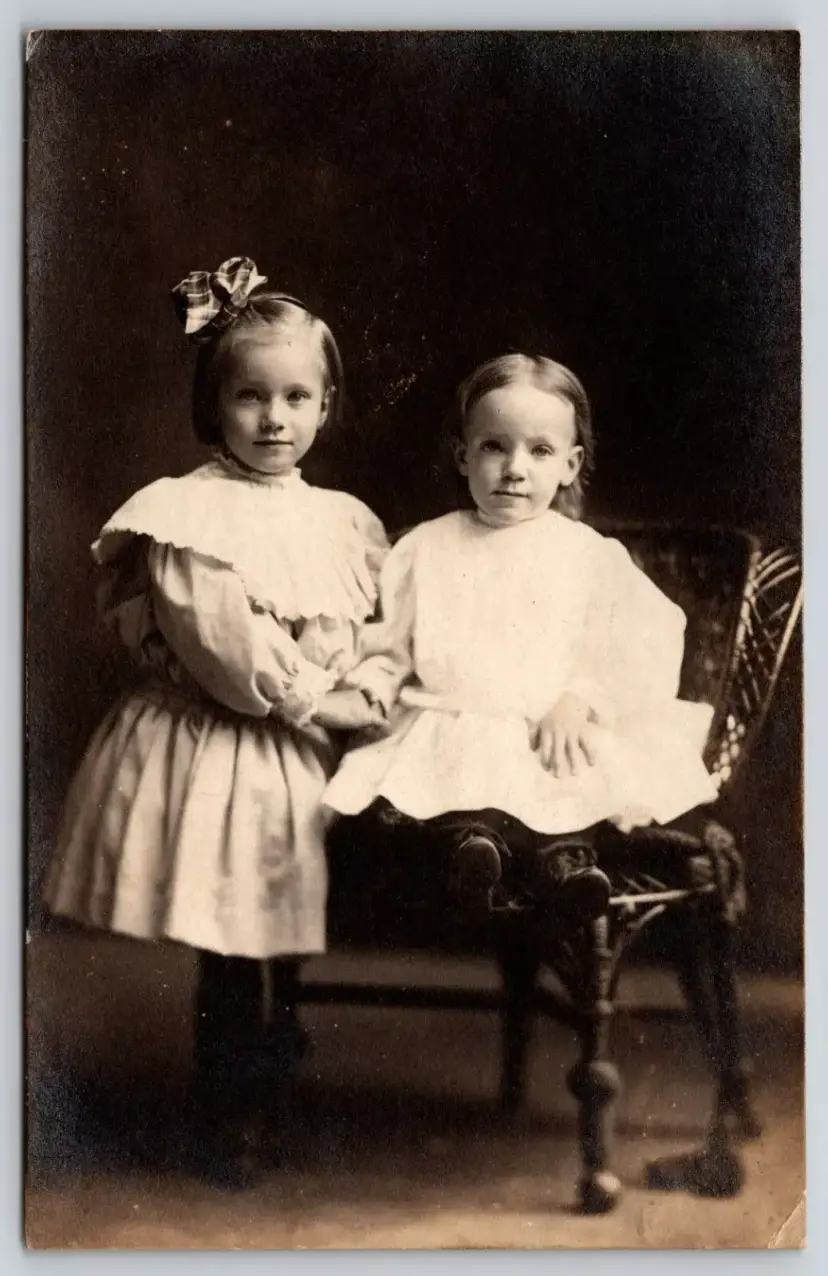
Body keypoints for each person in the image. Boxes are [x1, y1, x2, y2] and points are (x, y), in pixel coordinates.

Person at [44, 257, 388, 1180]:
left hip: (300, 745)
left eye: (297, 398)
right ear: (214, 405)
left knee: (275, 917)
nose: (275, 419)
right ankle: (227, 1104)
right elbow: (228, 650)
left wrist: (363, 687)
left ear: (325, 406)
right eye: (250, 397)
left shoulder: (344, 521)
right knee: (233, 935)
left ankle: (270, 1059)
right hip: (222, 743)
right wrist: (321, 700)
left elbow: (365, 627)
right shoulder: (187, 517)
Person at [324, 353, 718, 917]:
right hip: (451, 721)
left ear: (569, 464)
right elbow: (390, 643)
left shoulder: (587, 555)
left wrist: (580, 699)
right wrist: (371, 687)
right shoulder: (425, 548)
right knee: (447, 794)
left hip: (547, 727)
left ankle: (569, 869)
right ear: (463, 455)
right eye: (494, 447)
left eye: (539, 451)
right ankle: (474, 854)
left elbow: (642, 638)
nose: (514, 468)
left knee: (566, 787)